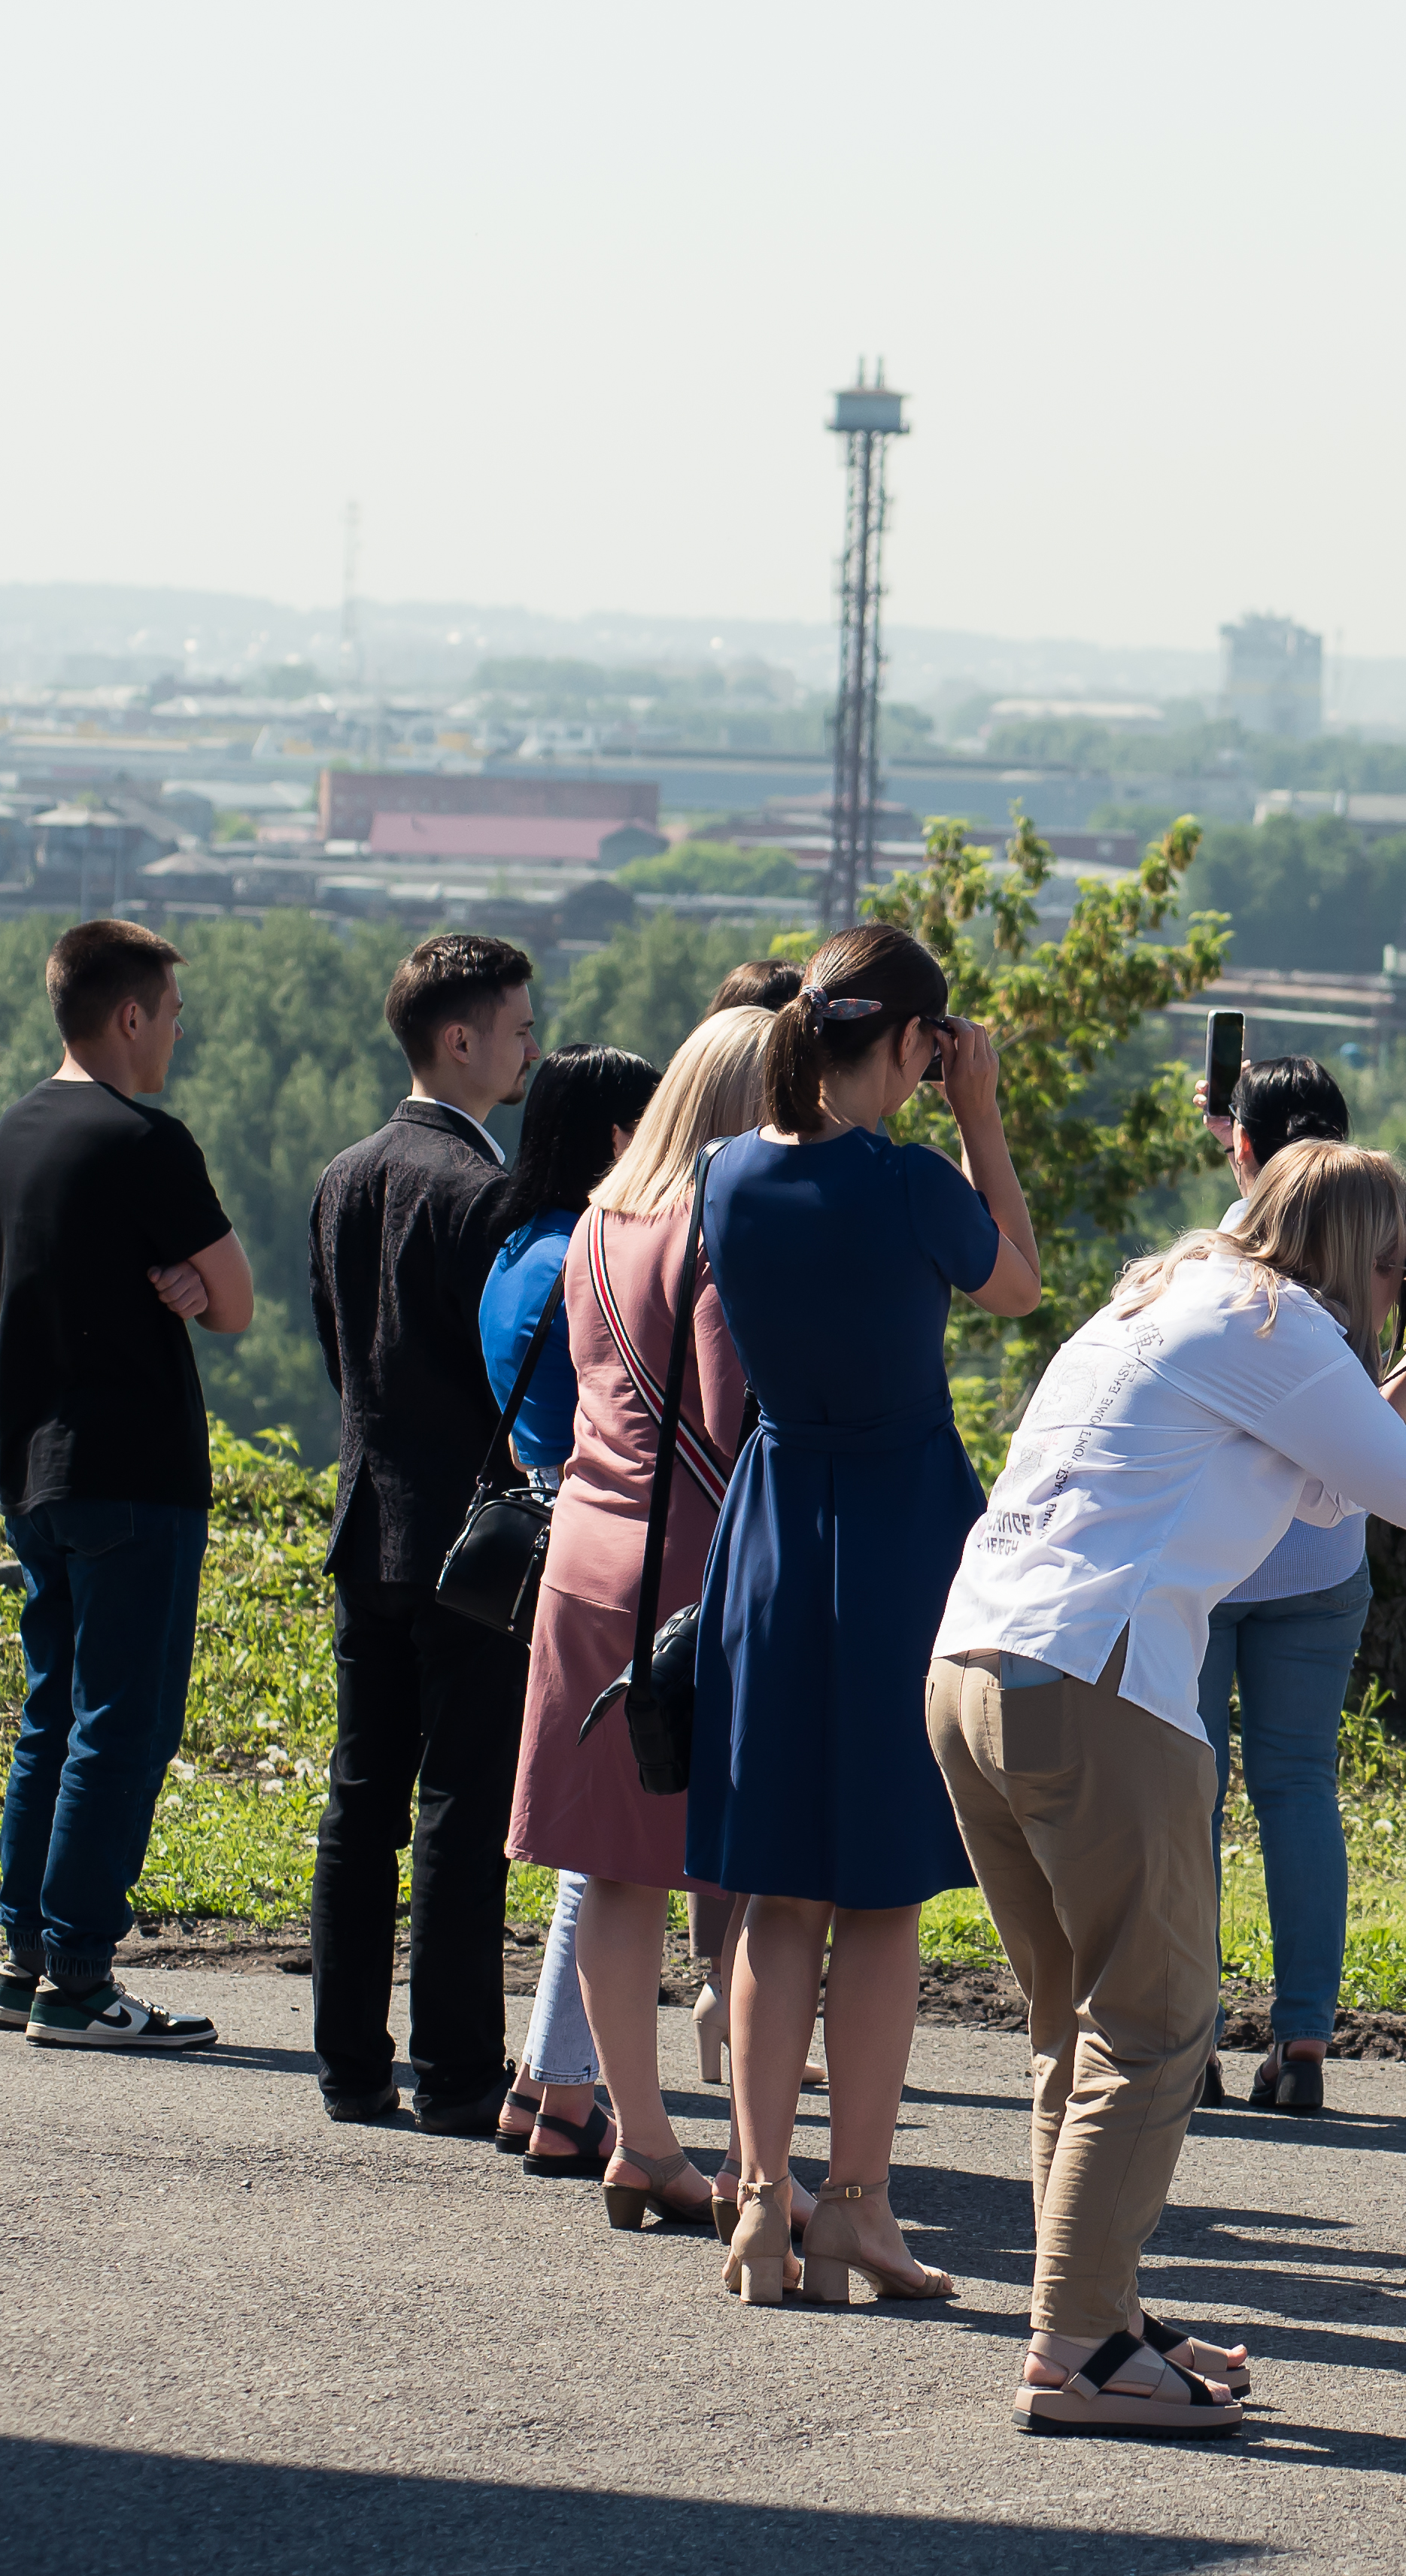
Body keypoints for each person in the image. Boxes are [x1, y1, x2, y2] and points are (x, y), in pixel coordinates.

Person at [934, 1140, 1406, 2432]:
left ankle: (1093, 2310)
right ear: (1358, 1255)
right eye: (1396, 1255)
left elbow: (1328, 1471)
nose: (1402, 1275)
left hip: (978, 1663)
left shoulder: (1176, 1291)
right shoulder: (1281, 1326)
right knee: (1155, 2027)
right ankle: (1079, 2349)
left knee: (1080, 2025)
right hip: (1099, 1676)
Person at [694, 924, 1043, 2308]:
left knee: (778, 1889)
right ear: (912, 1043)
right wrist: (984, 1118)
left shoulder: (726, 1176)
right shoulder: (907, 1186)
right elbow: (1016, 1277)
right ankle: (859, 2205)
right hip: (898, 1534)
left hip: (773, 1533)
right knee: (883, 1899)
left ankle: (758, 2196)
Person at [0, 919, 254, 2053]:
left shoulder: (13, 1135)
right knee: (121, 1727)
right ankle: (82, 1978)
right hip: (135, 1469)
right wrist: (191, 1285)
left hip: (32, 1466)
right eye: (173, 1015)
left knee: (52, 1713)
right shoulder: (146, 1141)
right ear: (130, 1016)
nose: (177, 1036)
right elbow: (234, 1303)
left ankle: (26, 1956)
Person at [509, 1007, 769, 2235]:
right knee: (751, 1870)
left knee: (613, 1868)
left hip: (587, 1551)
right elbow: (733, 1415)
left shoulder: (602, 1219)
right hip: (687, 1567)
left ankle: (642, 2137)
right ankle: (741, 2147)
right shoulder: (721, 1226)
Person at [305, 931, 542, 2131]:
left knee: (362, 1797)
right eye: (515, 1025)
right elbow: (514, 1372)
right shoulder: (487, 1192)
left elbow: (336, 1349)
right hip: (471, 1537)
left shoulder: (343, 1176)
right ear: (460, 1039)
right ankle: (455, 2068)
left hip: (367, 1517)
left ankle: (348, 2061)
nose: (529, 1044)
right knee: (459, 1800)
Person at [472, 1039, 662, 2180]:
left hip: (540, 1515)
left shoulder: (512, 1252)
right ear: (612, 1138)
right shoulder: (592, 1254)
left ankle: (545, 2082)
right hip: (596, 1523)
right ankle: (563, 2085)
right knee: (610, 1835)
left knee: (583, 1828)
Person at [1186, 1055, 1383, 2116]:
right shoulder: (1375, 1257)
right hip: (1328, 1558)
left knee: (1193, 1795)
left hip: (1220, 1556)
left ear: (1241, 1145)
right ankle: (1304, 2039)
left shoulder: (1221, 1253)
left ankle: (1193, 2034)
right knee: (1300, 1788)